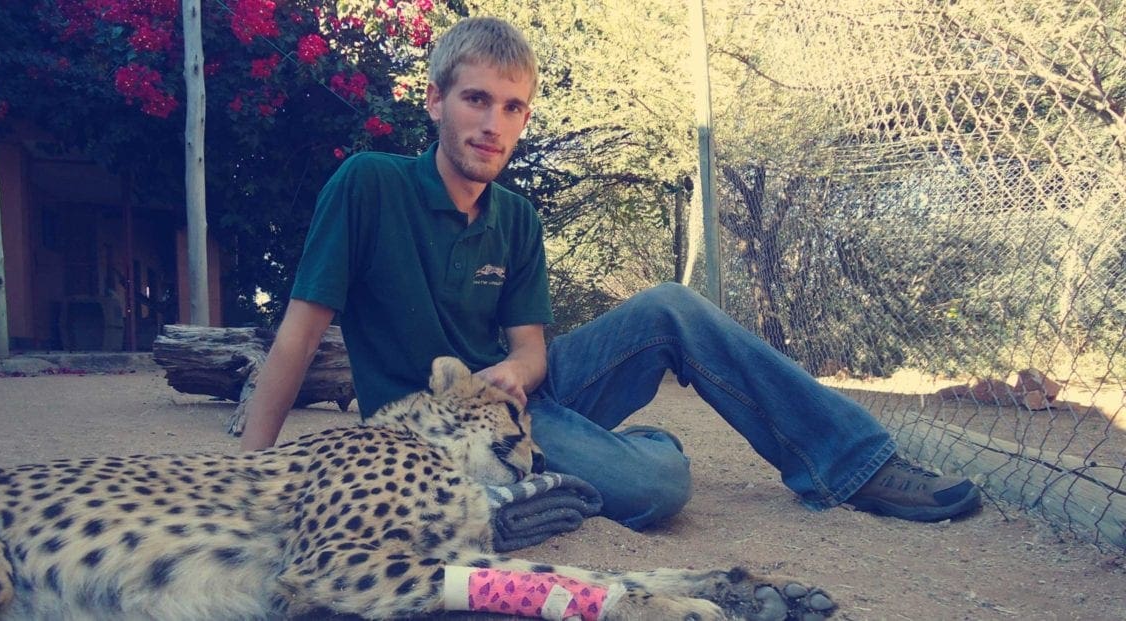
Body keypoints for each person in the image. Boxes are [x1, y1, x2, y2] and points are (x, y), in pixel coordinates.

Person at [240, 16, 982, 529]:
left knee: (670, 305)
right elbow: (298, 340)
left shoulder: (518, 218)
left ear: (524, 119)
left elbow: (532, 349)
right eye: (474, 99)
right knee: (661, 483)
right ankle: (635, 449)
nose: (492, 123)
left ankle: (855, 464)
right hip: (433, 431)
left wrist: (514, 373)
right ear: (435, 100)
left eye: (512, 107)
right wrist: (248, 481)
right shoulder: (369, 185)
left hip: (523, 398)